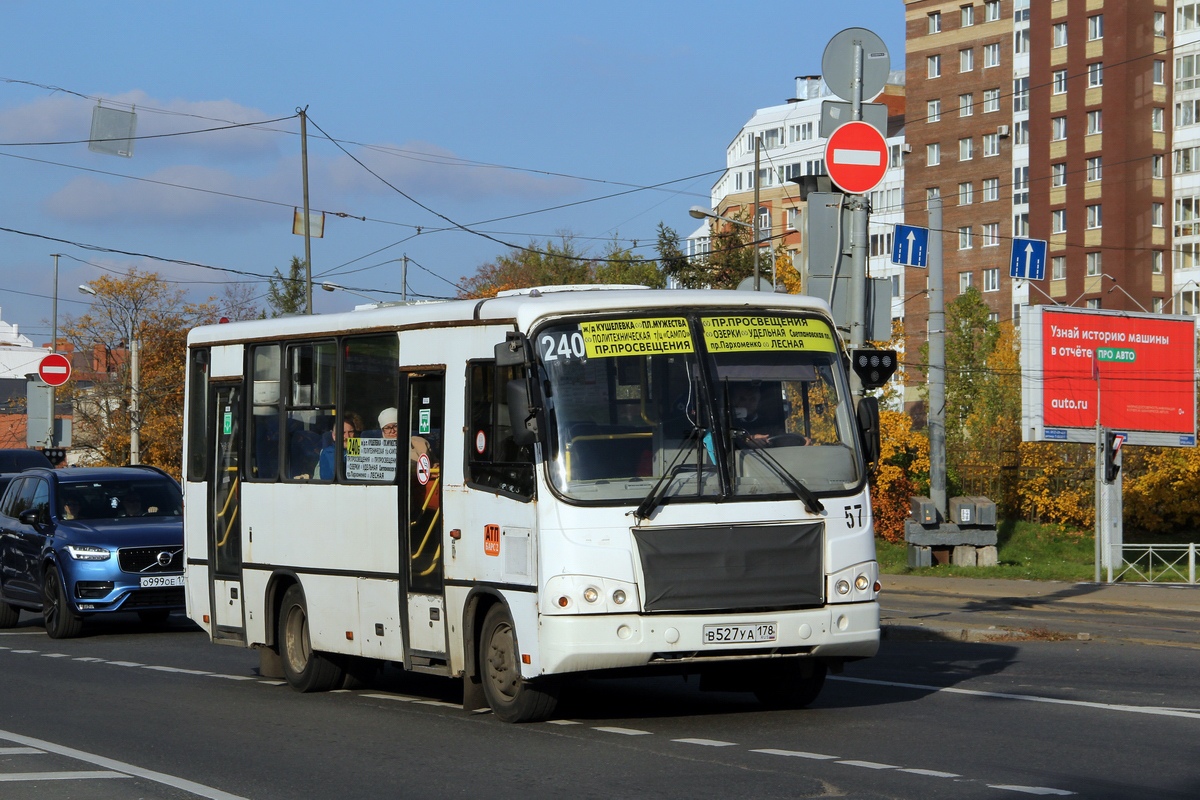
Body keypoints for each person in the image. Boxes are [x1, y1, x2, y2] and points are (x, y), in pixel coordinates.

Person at [316, 412, 363, 480]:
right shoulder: (328, 452)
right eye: (343, 433)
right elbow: (334, 476)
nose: (347, 436)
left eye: (350, 432)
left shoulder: (358, 448)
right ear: (334, 436)